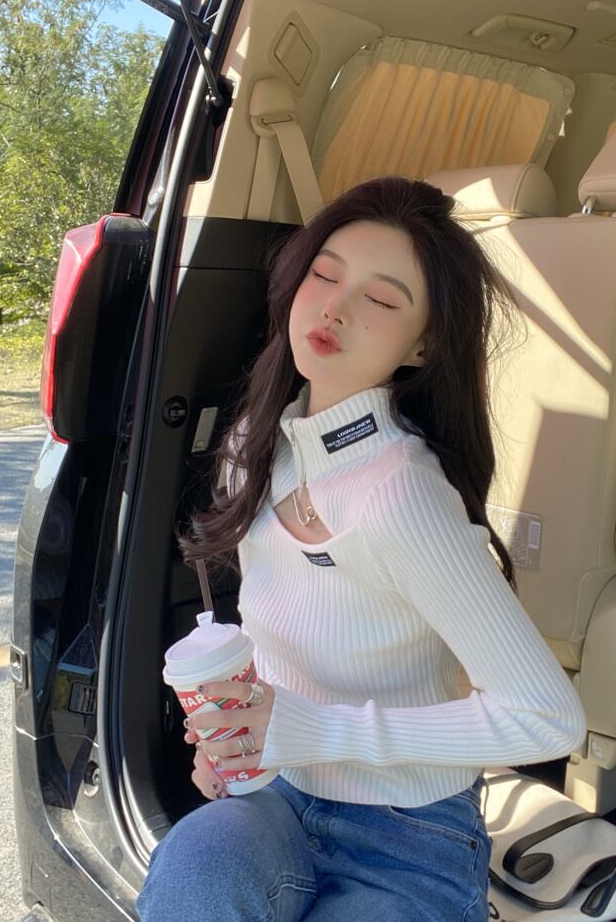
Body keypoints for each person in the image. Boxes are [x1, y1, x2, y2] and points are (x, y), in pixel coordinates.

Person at [135, 176, 586, 921]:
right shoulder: (254, 446)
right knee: (194, 867)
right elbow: (284, 635)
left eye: (380, 299)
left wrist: (313, 728)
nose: (335, 307)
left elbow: (547, 718)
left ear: (423, 343)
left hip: (407, 832)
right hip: (276, 796)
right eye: (324, 274)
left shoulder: (401, 491)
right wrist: (235, 736)